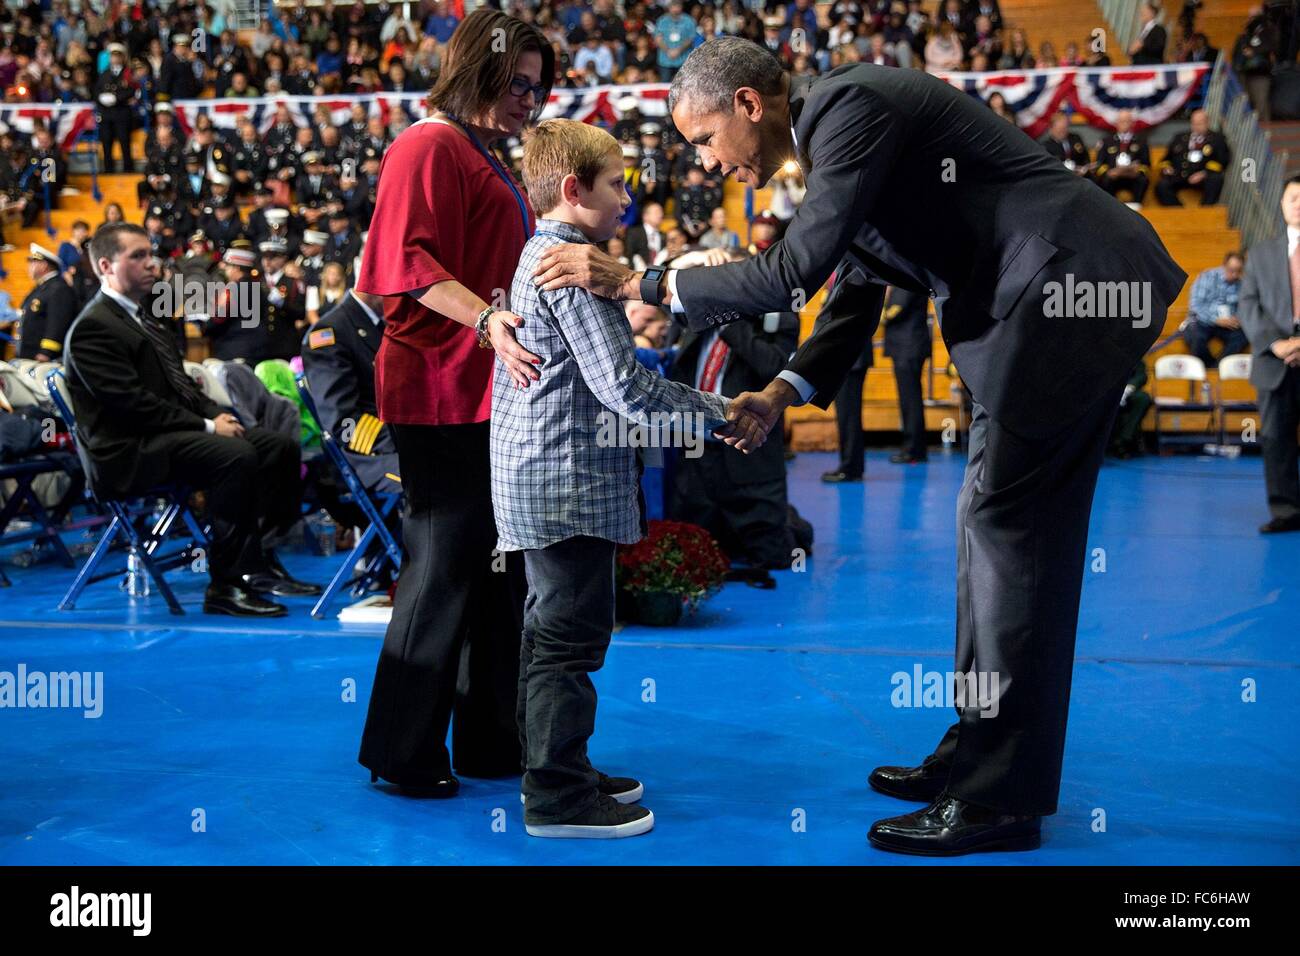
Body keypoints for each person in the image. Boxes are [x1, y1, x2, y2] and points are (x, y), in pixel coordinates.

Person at [530, 39, 1186, 856]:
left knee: (1014, 542)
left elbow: (792, 272)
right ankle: (978, 750)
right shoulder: (845, 140)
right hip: (1038, 303)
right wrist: (782, 392)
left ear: (747, 106)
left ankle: (1000, 797)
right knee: (991, 537)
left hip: (1068, 289)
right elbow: (851, 295)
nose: (705, 163)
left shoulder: (850, 106)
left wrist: (638, 281)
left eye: (703, 140)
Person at [496, 118, 733, 838]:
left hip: (545, 473)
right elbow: (626, 390)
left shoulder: (547, 250)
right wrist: (720, 412)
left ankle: (558, 766)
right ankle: (558, 798)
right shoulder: (572, 265)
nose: (628, 199)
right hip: (565, 480)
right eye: (616, 185)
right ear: (574, 189)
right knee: (568, 640)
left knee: (551, 637)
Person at [352, 10, 554, 798]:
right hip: (440, 388)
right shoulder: (427, 144)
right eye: (518, 84)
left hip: (486, 389)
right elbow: (402, 266)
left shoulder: (481, 152)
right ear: (477, 67)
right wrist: (486, 316)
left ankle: (490, 740)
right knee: (441, 566)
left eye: (538, 89)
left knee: (491, 570)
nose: (528, 101)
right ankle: (400, 752)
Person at [63, 223, 319, 617]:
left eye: (151, 254)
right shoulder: (94, 326)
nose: (152, 264)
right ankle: (225, 584)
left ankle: (259, 562)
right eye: (137, 256)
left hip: (163, 436)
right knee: (234, 455)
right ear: (104, 266)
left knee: (277, 446)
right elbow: (132, 406)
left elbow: (181, 387)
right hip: (126, 451)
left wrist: (216, 413)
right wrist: (206, 427)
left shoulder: (147, 318)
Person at [1238, 176, 1300, 534]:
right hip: (1271, 360)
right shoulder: (1260, 254)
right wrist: (1276, 344)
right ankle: (1287, 510)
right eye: (1293, 197)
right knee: (1276, 438)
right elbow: (1248, 304)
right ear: (1281, 203)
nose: (1298, 204)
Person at [882, 285, 931, 463]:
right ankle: (914, 446)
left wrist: (876, 315)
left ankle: (914, 448)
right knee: (910, 399)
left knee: (910, 400)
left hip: (908, 346)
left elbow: (896, 309)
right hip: (908, 346)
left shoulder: (907, 278)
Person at [1183, 252, 1247, 367]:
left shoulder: (1242, 284)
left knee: (1243, 336)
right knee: (1195, 337)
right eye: (1231, 270)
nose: (1235, 274)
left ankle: (1218, 367)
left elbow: (1246, 307)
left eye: (1238, 271)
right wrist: (1215, 319)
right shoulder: (1207, 277)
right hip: (1204, 321)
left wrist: (1237, 318)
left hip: (1229, 324)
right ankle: (1210, 367)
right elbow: (1196, 305)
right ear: (1224, 266)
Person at [18, 243, 78, 361]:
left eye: (32, 263)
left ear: (44, 265)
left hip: (42, 359)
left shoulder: (58, 288)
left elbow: (57, 324)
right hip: (29, 355)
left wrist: (46, 352)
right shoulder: (42, 288)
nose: (29, 267)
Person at [1156, 109, 1229, 207]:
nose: (1196, 127)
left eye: (1200, 123)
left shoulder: (1216, 139)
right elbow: (1166, 159)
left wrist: (1204, 173)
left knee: (1215, 179)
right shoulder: (1180, 137)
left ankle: (1205, 210)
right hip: (1179, 174)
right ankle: (1177, 211)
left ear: (1207, 122)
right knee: (1162, 185)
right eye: (1194, 123)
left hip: (1202, 175)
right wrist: (1167, 169)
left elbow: (1222, 161)